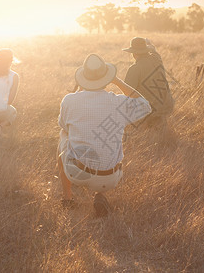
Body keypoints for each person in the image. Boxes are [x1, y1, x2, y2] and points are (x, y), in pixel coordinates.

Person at [58, 53, 151, 216]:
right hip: (112, 178)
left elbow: (64, 126)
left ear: (83, 78)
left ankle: (67, 199)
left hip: (78, 174)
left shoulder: (69, 100)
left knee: (63, 136)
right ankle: (99, 194)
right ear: (106, 78)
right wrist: (116, 80)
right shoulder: (118, 102)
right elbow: (145, 106)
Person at [122, 37, 174, 126]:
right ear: (146, 50)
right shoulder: (157, 59)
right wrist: (149, 45)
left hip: (148, 112)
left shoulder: (134, 69)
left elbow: (127, 94)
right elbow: (154, 51)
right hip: (166, 106)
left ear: (133, 54)